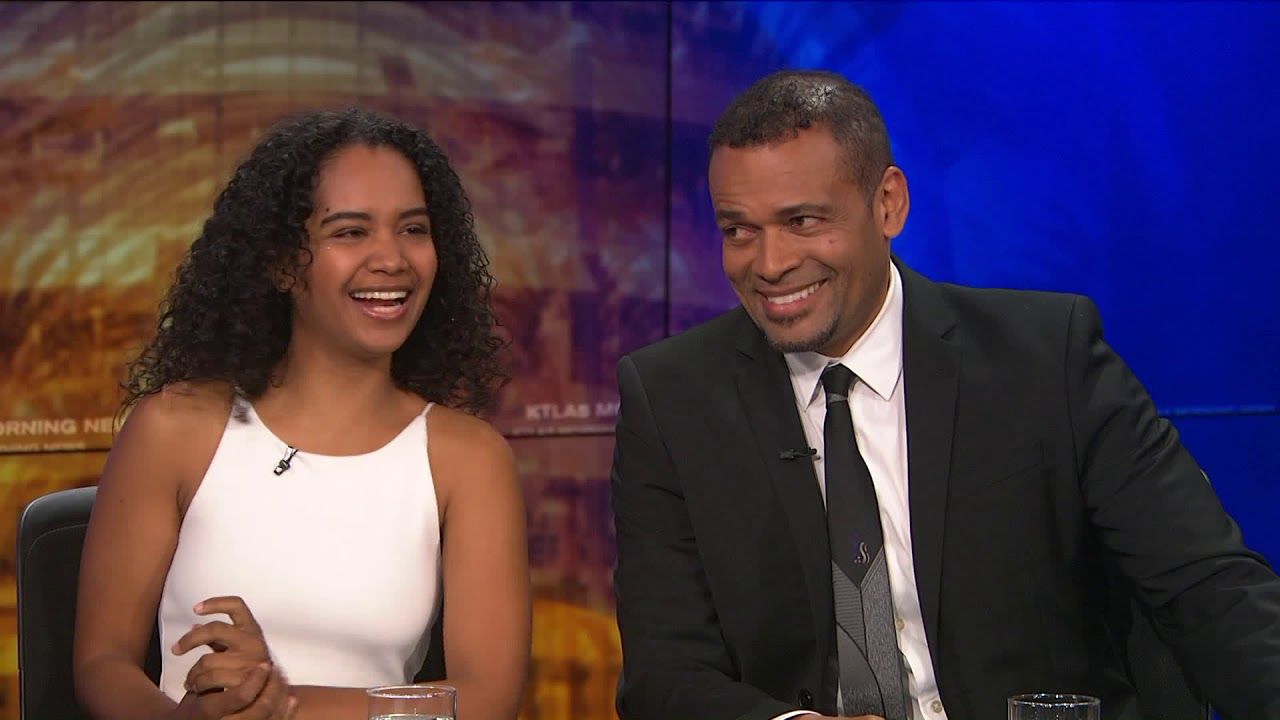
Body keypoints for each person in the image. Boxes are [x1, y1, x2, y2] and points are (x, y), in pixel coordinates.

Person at [609, 69, 1280, 720]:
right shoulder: (671, 400)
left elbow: (1210, 588)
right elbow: (665, 674)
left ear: (888, 204)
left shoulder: (1046, 358)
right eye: (739, 230)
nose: (770, 263)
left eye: (803, 221)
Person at [73, 107, 532, 720]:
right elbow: (102, 664)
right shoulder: (174, 428)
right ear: (283, 262)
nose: (392, 258)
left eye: (413, 229)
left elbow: (486, 700)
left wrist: (278, 704)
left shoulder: (468, 458)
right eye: (351, 232)